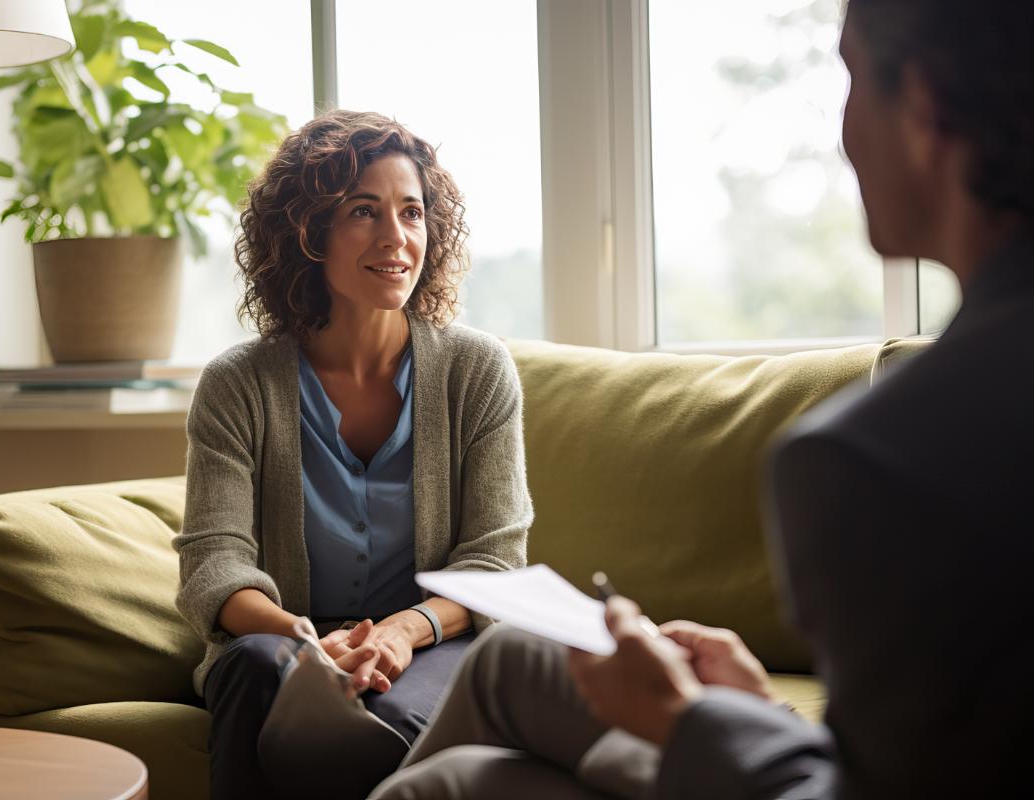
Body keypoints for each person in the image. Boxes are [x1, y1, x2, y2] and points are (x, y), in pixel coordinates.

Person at [369, 0, 1034, 797]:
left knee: (442, 788)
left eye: (853, 81)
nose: (843, 132)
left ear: (923, 106)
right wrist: (757, 710)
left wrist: (689, 721)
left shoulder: (876, 461)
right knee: (497, 708)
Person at [173, 110, 532, 800]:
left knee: (390, 718)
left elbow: (495, 561)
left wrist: (402, 631)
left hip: (432, 643)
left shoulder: (477, 370)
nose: (396, 238)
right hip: (278, 640)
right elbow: (213, 565)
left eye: (412, 213)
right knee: (254, 671)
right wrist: (304, 639)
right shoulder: (237, 384)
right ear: (308, 233)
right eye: (364, 213)